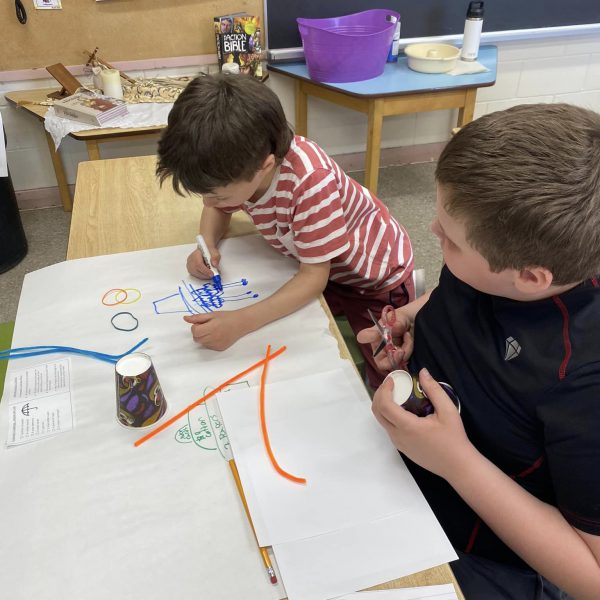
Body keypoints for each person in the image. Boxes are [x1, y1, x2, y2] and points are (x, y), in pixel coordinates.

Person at [358, 103, 600, 600]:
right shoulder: (500, 263)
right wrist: (413, 319)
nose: (431, 234)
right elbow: (459, 291)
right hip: (404, 466)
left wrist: (456, 461)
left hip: (484, 548)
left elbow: (592, 576)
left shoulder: (584, 383)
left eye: (449, 241)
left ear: (532, 278)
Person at [156, 74, 414, 388]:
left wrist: (239, 322)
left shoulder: (308, 183)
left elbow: (313, 278)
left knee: (385, 363)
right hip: (321, 266)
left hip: (373, 277)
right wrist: (206, 242)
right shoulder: (242, 168)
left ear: (264, 166)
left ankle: (397, 405)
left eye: (219, 194)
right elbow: (216, 208)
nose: (209, 202)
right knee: (295, 336)